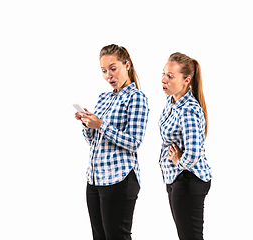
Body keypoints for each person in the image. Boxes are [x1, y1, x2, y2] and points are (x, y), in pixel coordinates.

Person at [75, 44, 149, 240]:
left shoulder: (137, 98)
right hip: (94, 179)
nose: (109, 75)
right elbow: (92, 141)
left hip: (119, 179)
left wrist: (101, 125)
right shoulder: (103, 98)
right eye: (104, 71)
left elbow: (134, 142)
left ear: (127, 65)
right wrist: (87, 123)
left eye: (113, 68)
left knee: (116, 236)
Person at [159, 52, 212, 240]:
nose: (163, 79)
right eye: (164, 74)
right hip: (177, 178)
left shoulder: (188, 110)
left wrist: (178, 162)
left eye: (170, 76)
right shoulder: (171, 101)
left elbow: (193, 153)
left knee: (190, 237)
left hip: (188, 179)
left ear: (186, 80)